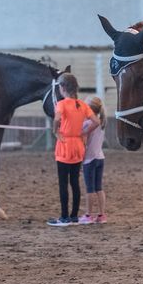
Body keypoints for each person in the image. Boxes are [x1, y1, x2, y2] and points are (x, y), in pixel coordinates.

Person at [47, 73, 99, 227]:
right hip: (78, 146)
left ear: (63, 88)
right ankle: (74, 216)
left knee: (63, 183)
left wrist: (55, 132)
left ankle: (64, 217)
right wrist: (84, 133)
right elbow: (96, 121)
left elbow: (56, 119)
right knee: (75, 182)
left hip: (64, 146)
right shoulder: (82, 105)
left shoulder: (62, 104)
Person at [78, 97, 108, 224]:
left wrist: (79, 161)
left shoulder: (86, 124)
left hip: (89, 160)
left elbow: (83, 143)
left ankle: (88, 215)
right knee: (98, 188)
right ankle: (101, 215)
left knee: (89, 189)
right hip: (100, 157)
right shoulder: (102, 122)